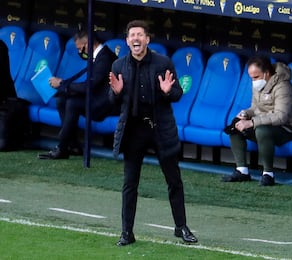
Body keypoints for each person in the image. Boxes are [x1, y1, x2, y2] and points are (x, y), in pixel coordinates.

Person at [108, 20, 198, 246]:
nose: (136, 39)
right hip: (133, 130)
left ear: (147, 39)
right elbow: (112, 100)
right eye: (132, 35)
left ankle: (181, 227)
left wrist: (168, 91)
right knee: (130, 183)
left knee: (174, 180)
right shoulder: (119, 65)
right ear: (127, 41)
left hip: (159, 128)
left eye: (140, 35)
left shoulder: (162, 62)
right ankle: (126, 232)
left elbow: (177, 93)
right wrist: (116, 93)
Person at [222, 56, 292, 186]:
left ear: (266, 73)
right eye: (251, 77)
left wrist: (252, 122)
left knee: (261, 130)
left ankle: (268, 174)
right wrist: (246, 114)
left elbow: (281, 117)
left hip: (289, 129)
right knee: (236, 124)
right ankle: (242, 171)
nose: (253, 81)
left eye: (256, 77)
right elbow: (255, 108)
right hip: (267, 124)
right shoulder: (258, 85)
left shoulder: (283, 87)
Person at [38, 30, 118, 159]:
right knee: (62, 100)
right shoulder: (100, 55)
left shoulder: (105, 58)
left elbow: (90, 86)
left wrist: (62, 84)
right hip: (97, 98)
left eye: (80, 48)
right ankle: (73, 145)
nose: (80, 52)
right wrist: (64, 87)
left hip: (105, 105)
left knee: (73, 103)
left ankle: (62, 147)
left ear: (88, 44)